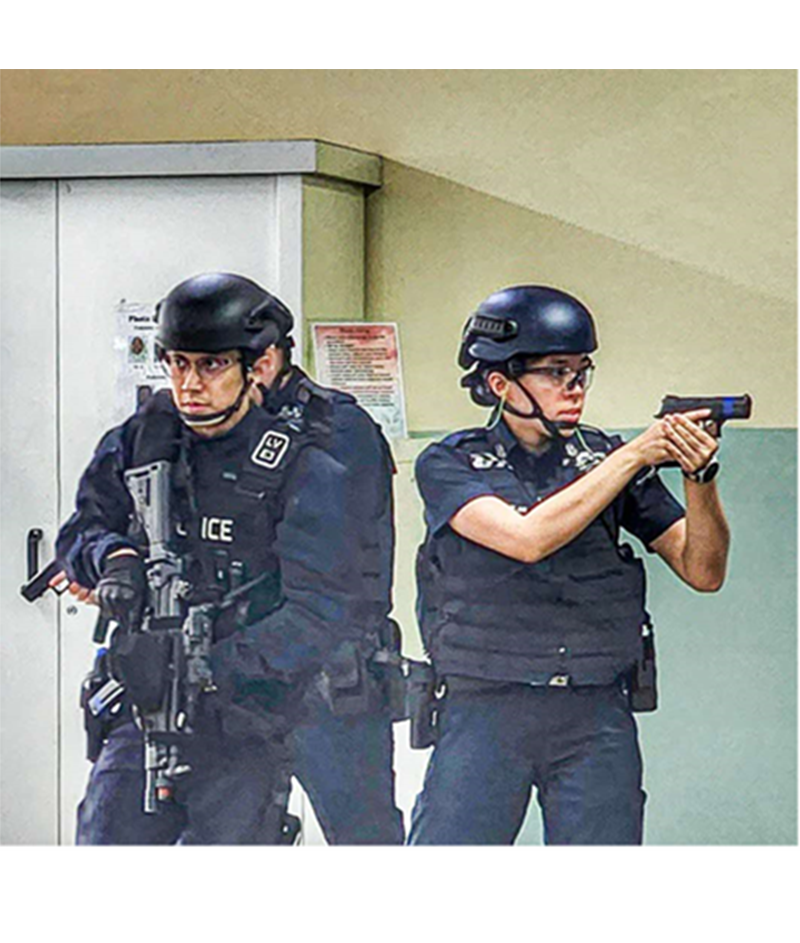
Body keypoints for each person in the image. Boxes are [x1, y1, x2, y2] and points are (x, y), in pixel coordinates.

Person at [57, 271, 404, 845]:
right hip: (156, 695)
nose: (190, 382)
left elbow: (331, 601)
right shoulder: (145, 436)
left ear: (258, 366)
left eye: (212, 365)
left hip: (276, 696)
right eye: (178, 363)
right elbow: (84, 527)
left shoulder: (315, 449)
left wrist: (211, 669)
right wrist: (113, 559)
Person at [408, 284, 730, 845]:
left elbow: (704, 570)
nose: (574, 388)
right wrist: (633, 456)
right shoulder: (452, 462)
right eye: (556, 373)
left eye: (582, 372)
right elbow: (527, 538)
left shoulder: (606, 459)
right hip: (486, 708)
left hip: (593, 711)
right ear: (500, 383)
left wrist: (699, 477)